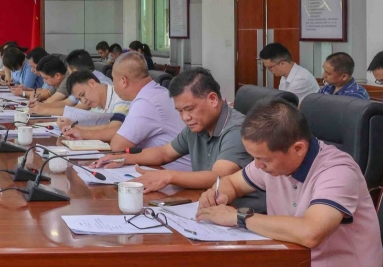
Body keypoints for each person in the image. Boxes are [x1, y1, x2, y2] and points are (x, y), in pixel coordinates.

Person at [196, 100, 383, 267]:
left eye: (263, 159)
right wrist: (217, 194)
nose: (257, 165)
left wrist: (239, 217)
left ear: (298, 148)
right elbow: (232, 183)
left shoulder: (337, 171)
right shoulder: (273, 162)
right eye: (254, 157)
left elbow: (310, 232)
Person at [94, 69, 263, 210]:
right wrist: (123, 158)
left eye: (189, 109)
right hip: (208, 205)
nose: (185, 117)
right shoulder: (198, 125)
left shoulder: (237, 129)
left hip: (240, 213)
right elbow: (164, 153)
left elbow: (218, 176)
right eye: (180, 111)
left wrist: (168, 176)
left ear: (212, 99)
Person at [65, 52, 190, 170]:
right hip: (163, 168)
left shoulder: (146, 101)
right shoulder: (155, 92)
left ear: (123, 81)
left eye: (113, 79)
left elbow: (117, 146)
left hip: (174, 175)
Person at [56, 69, 130, 130]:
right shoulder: (95, 104)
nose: (83, 101)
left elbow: (114, 129)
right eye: (79, 99)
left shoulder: (120, 96)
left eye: (83, 94)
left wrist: (74, 127)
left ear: (92, 83)